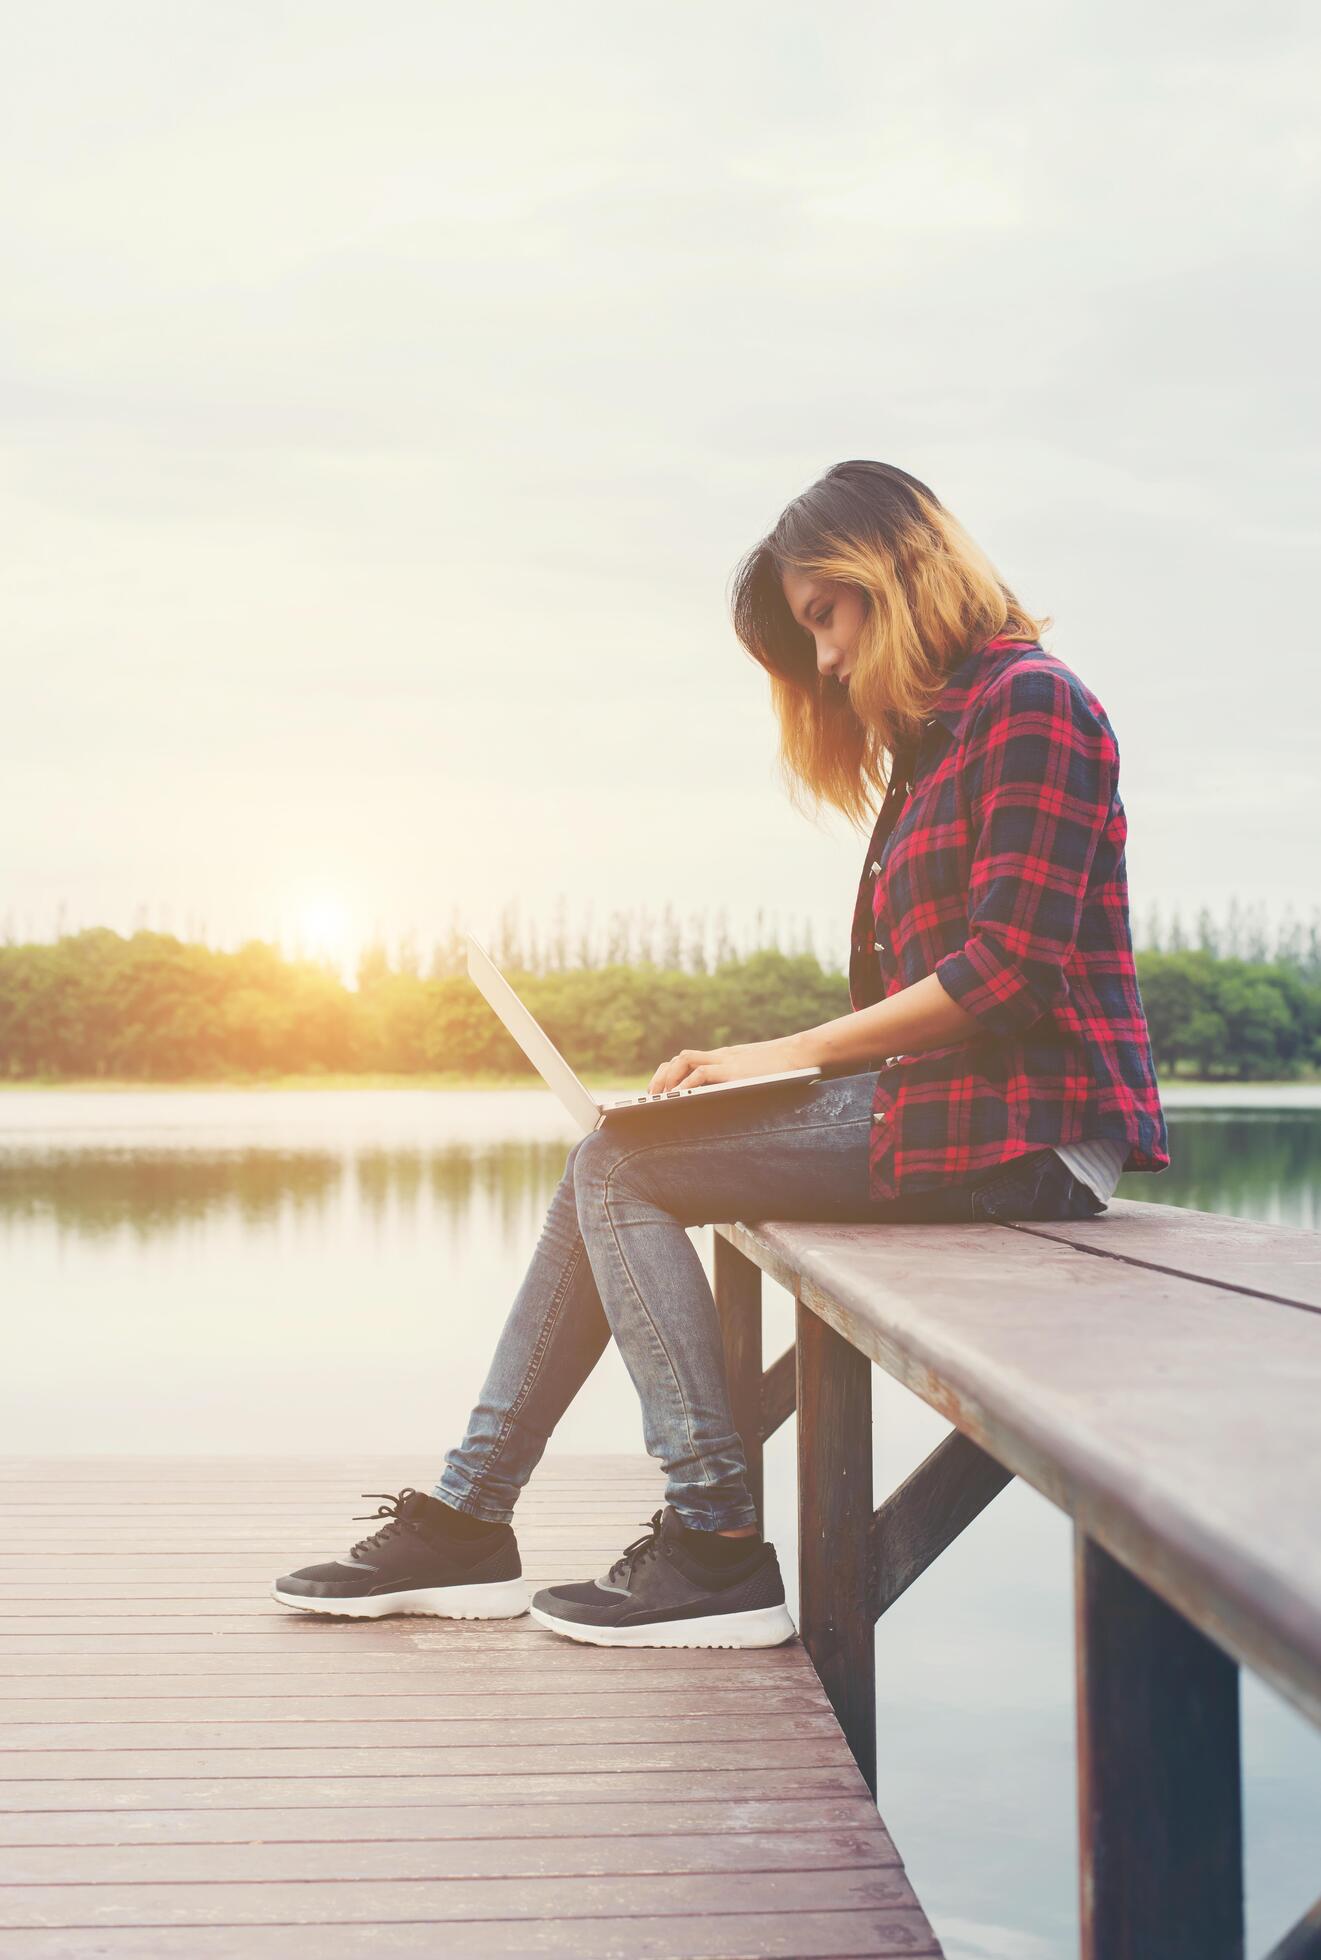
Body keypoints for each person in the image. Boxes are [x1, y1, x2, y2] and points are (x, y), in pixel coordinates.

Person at [273, 459, 1170, 1649]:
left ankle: (704, 1543)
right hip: (963, 1113)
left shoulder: (1034, 704)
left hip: (1034, 1133)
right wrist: (794, 1077)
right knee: (617, 1152)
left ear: (894, 568)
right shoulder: (944, 742)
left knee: (622, 1164)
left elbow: (1007, 974)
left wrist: (784, 1053)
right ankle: (472, 1516)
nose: (831, 661)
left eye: (825, 618)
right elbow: (930, 997)